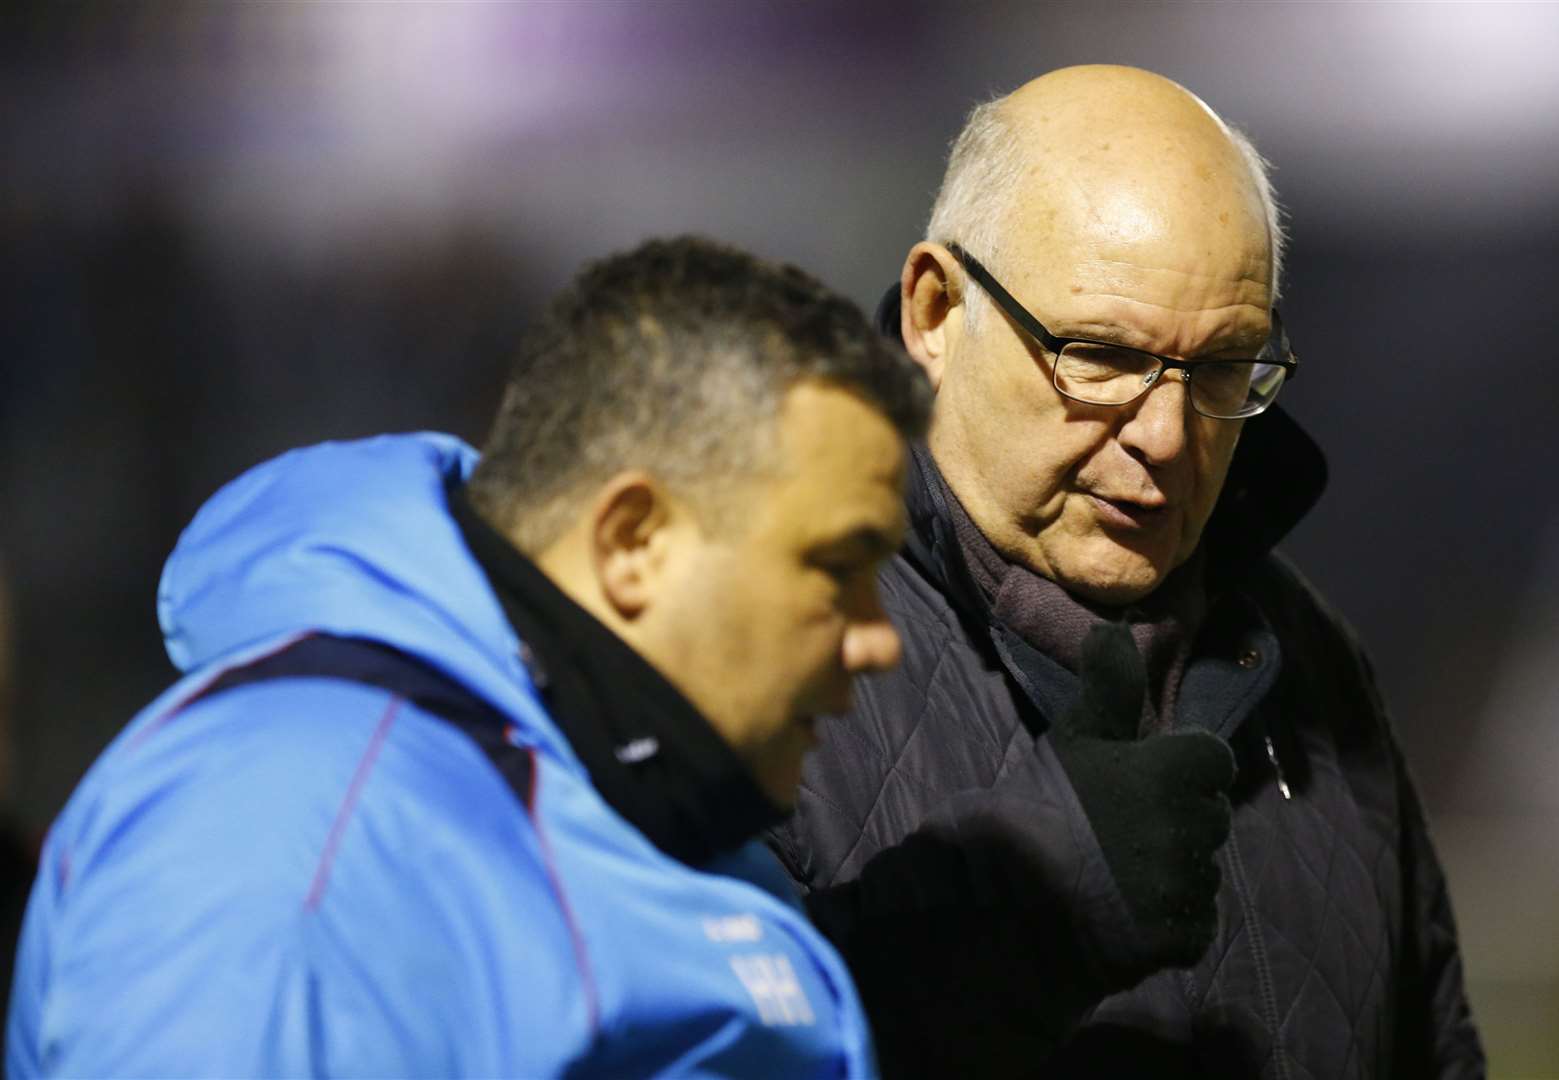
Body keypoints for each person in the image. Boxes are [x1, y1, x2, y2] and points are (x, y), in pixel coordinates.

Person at [7, 236, 931, 1077]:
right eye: (836, 567)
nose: (877, 635)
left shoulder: (636, 792)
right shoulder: (295, 836)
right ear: (634, 541)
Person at [768, 66, 1485, 1078]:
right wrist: (1012, 923)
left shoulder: (1309, 658)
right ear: (935, 312)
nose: (1164, 433)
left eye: (1224, 366)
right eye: (1100, 354)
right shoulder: (752, 650)